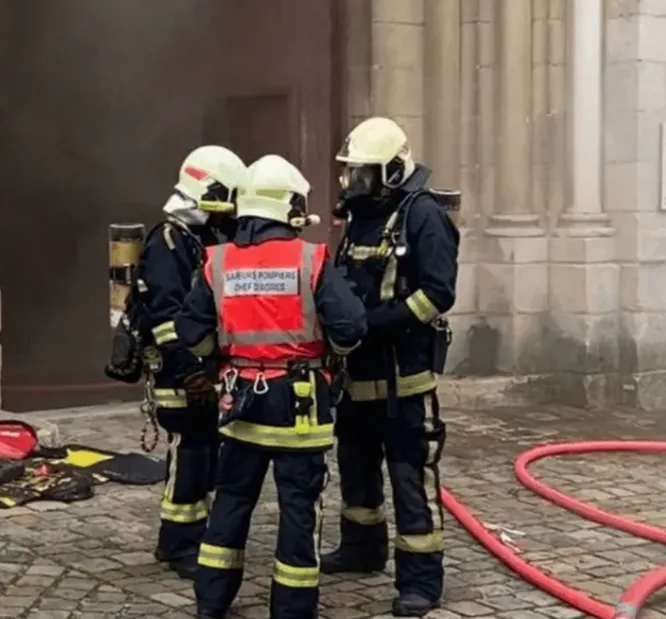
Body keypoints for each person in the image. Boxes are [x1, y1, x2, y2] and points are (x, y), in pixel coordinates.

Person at [176, 154, 367, 619]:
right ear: (288, 208)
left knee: (231, 503)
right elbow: (350, 328)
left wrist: (221, 356)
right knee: (299, 512)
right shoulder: (311, 258)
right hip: (299, 409)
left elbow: (191, 329)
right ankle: (292, 610)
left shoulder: (216, 262)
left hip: (239, 403)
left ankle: (211, 603)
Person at [321, 117, 460, 617]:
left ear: (393, 171)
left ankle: (421, 580)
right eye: (349, 173)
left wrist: (378, 323)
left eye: (362, 174)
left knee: (408, 477)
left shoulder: (423, 216)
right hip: (356, 375)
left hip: (405, 379)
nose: (352, 184)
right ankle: (361, 547)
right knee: (356, 466)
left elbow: (437, 294)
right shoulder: (361, 215)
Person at [137, 145, 247, 580]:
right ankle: (180, 544)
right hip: (180, 372)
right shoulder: (168, 242)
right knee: (191, 454)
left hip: (199, 370)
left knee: (204, 453)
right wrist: (188, 371)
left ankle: (186, 537)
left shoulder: (194, 240)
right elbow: (165, 318)